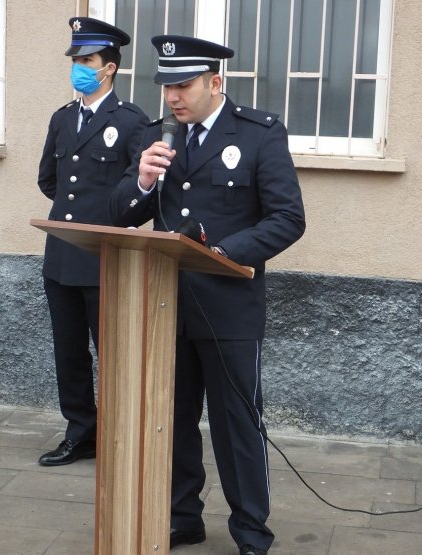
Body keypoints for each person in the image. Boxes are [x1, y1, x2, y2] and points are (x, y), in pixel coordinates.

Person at [109, 35, 306, 555]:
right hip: (165, 306)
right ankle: (182, 517)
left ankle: (250, 532)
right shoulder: (158, 137)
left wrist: (220, 251)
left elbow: (288, 218)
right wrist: (144, 184)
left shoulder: (260, 133)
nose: (173, 97)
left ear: (214, 82)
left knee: (236, 423)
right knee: (171, 419)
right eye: (166, 86)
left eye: (183, 85)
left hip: (229, 308)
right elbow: (120, 213)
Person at [37, 17, 148, 466]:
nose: (79, 68)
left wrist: (100, 218)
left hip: (104, 256)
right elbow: (50, 180)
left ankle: (121, 436)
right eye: (76, 60)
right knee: (69, 351)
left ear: (110, 68)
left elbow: (138, 191)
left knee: (114, 352)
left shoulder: (131, 121)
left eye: (87, 60)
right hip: (61, 254)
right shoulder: (62, 118)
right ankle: (81, 432)